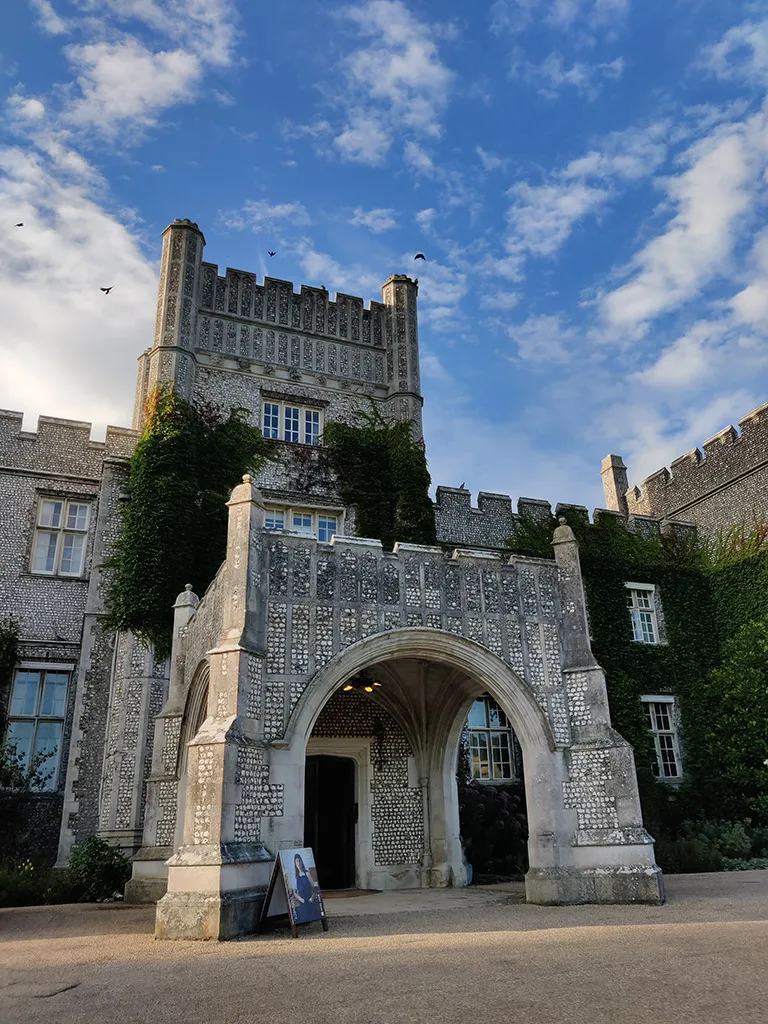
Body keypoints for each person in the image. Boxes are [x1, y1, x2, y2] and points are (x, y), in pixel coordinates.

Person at [291, 853, 317, 924]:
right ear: (295, 863)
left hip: (310, 901)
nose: (298, 863)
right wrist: (302, 900)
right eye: (297, 861)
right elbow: (294, 893)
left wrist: (312, 897)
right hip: (302, 903)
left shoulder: (307, 874)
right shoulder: (295, 877)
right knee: (304, 919)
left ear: (302, 862)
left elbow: (314, 888)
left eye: (300, 860)